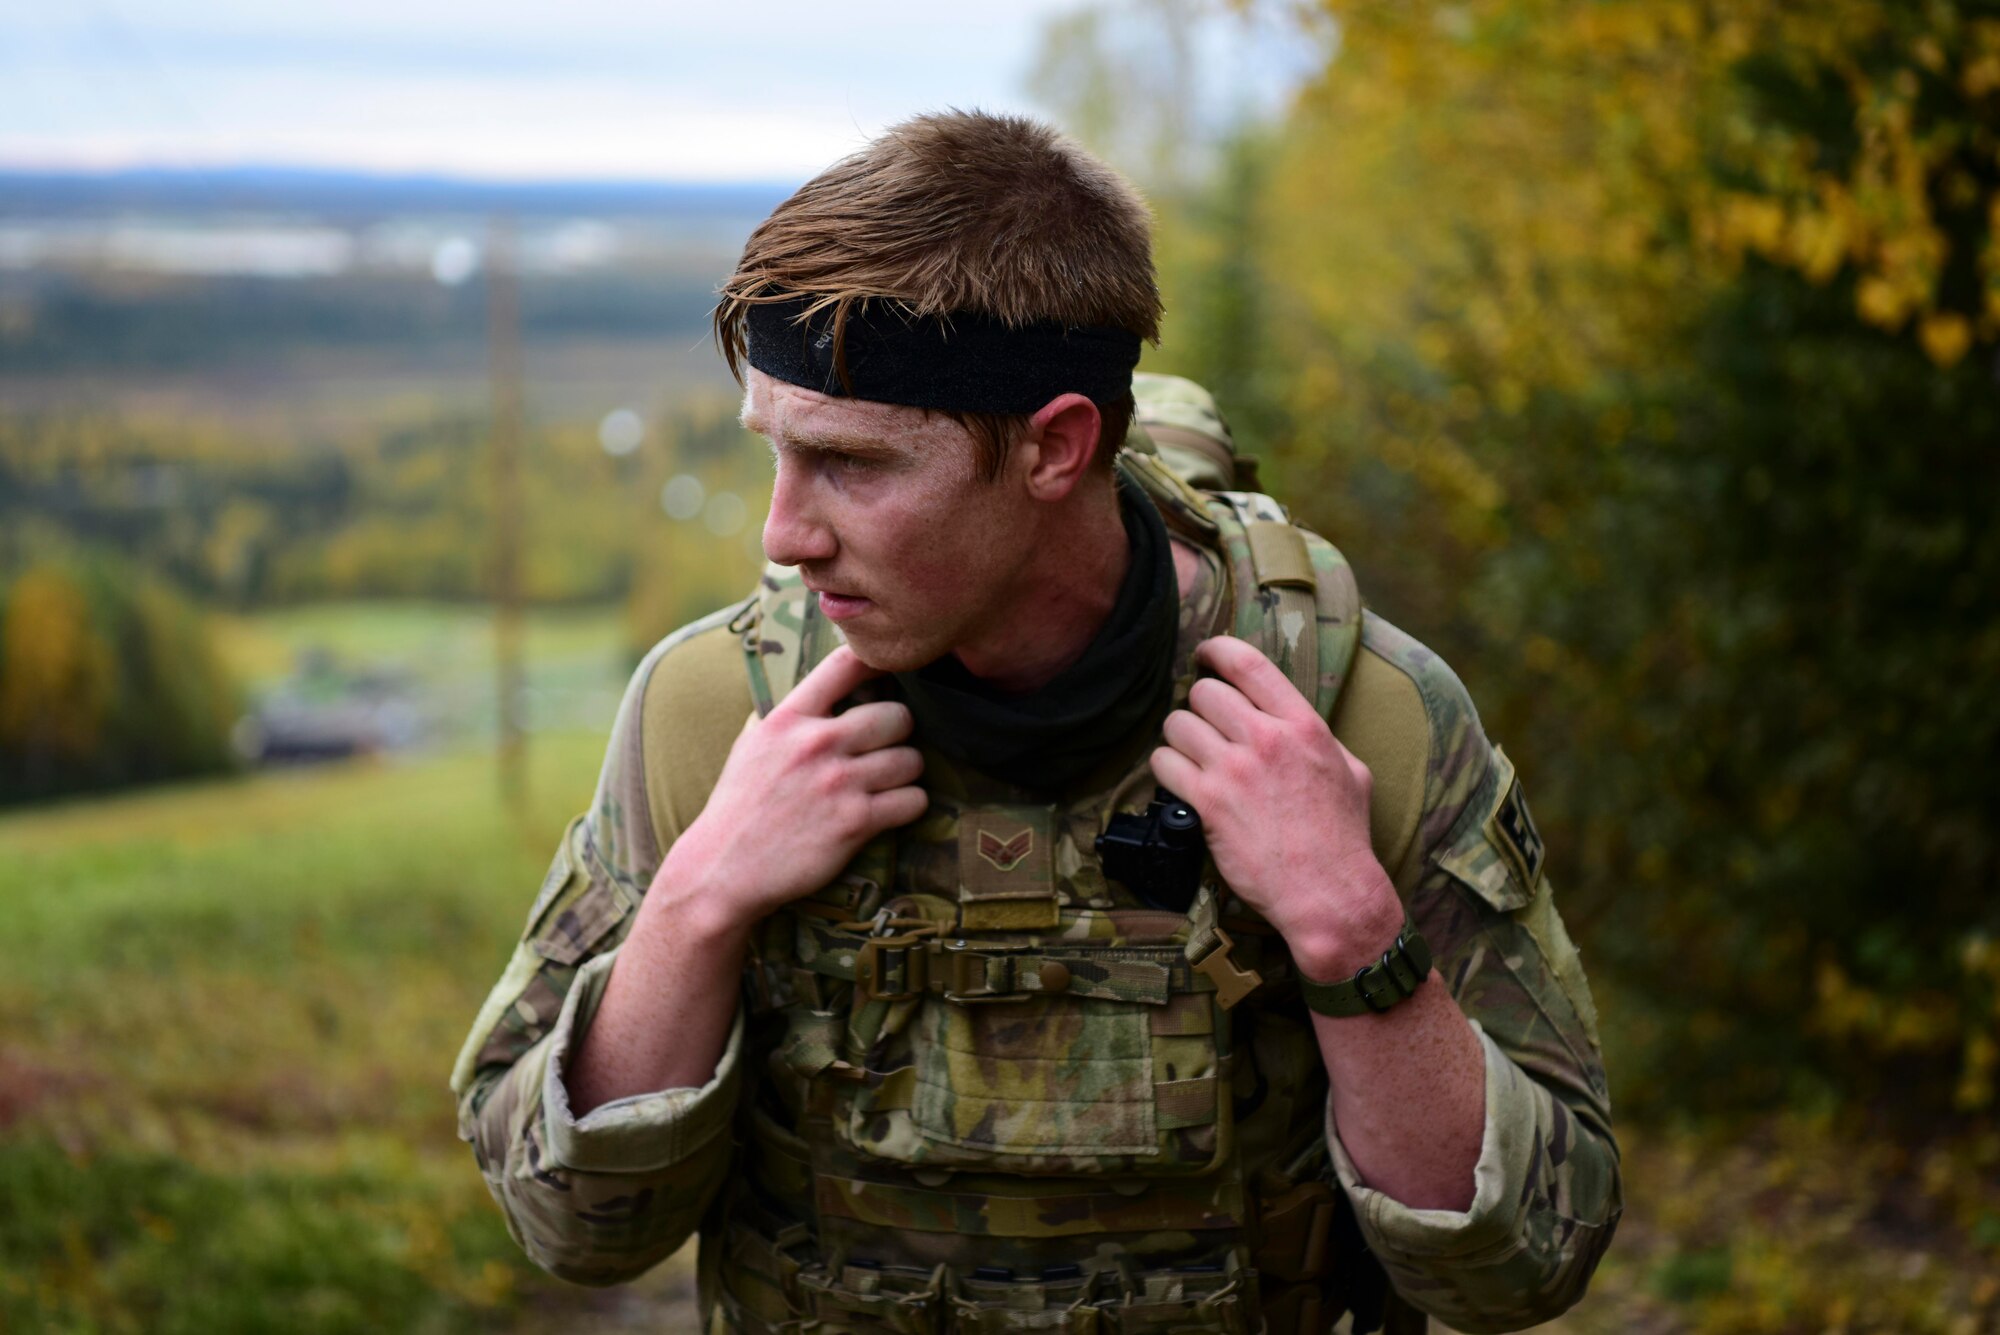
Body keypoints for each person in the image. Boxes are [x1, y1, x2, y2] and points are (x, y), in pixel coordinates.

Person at [451, 110, 1619, 1335]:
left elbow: (1523, 1271)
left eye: (851, 463)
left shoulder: (1361, 719)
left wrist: (1345, 928)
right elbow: (573, 1233)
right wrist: (695, 909)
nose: (782, 535)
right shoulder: (714, 714)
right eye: (773, 454)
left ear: (1054, 448)